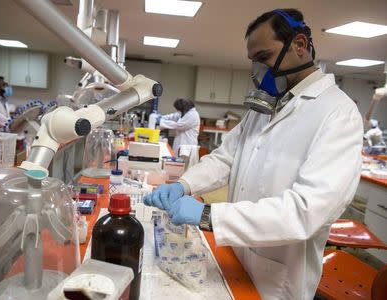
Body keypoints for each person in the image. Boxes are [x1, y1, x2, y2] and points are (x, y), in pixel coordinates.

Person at [144, 9, 363, 300]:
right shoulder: (268, 107)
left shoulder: (338, 113)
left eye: (264, 58)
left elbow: (306, 212)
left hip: (278, 280)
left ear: (299, 45)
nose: (258, 71)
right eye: (254, 62)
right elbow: (226, 157)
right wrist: (183, 184)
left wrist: (207, 215)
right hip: (236, 257)